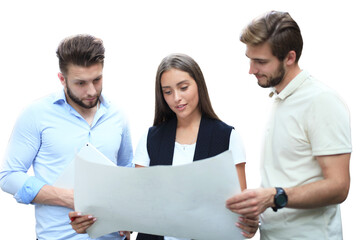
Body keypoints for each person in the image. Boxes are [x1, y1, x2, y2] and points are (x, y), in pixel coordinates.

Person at [69, 53, 259, 239]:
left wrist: (249, 226)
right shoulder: (151, 138)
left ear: (198, 85)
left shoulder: (227, 137)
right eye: (167, 92)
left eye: (183, 87)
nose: (176, 98)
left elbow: (240, 216)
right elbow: (135, 206)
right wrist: (91, 220)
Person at [226, 11, 352, 240]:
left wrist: (274, 196)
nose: (251, 70)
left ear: (290, 57)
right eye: (250, 59)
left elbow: (339, 186)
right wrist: (258, 213)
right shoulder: (280, 99)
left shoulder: (321, 101)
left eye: (261, 62)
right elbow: (284, 182)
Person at [0, 34, 133, 240]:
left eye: (97, 80)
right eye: (80, 83)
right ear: (62, 79)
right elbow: (8, 176)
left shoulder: (118, 116)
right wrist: (68, 198)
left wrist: (131, 214)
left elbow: (127, 171)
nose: (91, 91)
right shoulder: (36, 114)